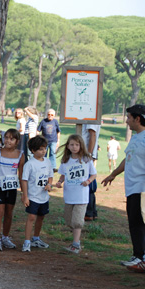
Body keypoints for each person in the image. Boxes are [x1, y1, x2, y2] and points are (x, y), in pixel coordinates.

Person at [102, 105, 145, 272]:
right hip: (132, 188)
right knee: (134, 222)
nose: (126, 120)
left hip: (142, 188)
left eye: (128, 117)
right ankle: (138, 256)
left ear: (138, 119)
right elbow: (128, 159)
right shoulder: (135, 138)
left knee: (139, 224)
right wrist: (113, 174)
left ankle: (140, 258)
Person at [55, 134, 97, 254]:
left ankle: (76, 244)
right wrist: (59, 182)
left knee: (77, 221)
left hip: (81, 196)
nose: (74, 147)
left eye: (77, 145)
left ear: (81, 146)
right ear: (67, 146)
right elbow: (63, 174)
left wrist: (88, 181)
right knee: (69, 221)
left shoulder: (86, 159)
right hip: (69, 195)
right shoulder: (65, 161)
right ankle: (75, 241)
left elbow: (93, 174)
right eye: (72, 144)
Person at [0, 128, 25, 251]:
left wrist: (23, 192)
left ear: (17, 141)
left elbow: (21, 174)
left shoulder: (20, 155)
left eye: (11, 138)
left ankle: (5, 237)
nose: (8, 141)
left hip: (11, 188)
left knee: (8, 213)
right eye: (6, 137)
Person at [20, 135, 53, 252]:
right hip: (33, 196)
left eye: (45, 148)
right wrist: (25, 195)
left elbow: (50, 176)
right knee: (31, 217)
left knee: (41, 217)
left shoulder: (48, 162)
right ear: (33, 150)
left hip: (44, 197)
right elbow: (24, 180)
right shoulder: (29, 164)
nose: (43, 151)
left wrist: (49, 184)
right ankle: (27, 241)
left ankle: (36, 238)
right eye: (40, 149)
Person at [82, 123, 101, 221]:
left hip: (86, 155)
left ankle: (89, 212)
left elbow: (92, 134)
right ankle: (92, 212)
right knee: (90, 183)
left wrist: (88, 154)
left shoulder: (91, 118)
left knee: (88, 184)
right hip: (87, 154)